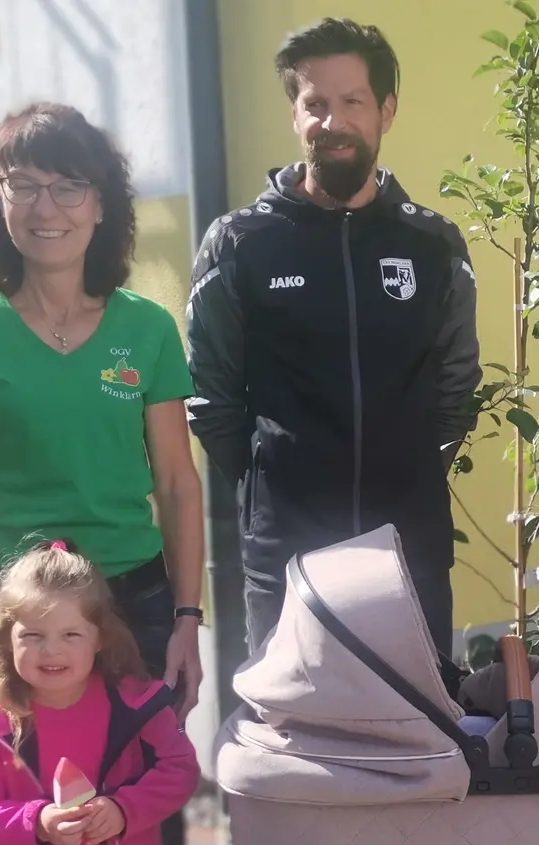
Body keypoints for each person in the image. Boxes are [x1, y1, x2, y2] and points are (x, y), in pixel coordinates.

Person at [0, 102, 204, 845]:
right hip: (15, 618)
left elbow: (177, 484)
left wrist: (188, 617)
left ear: (102, 203)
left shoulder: (146, 329)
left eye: (70, 185)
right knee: (19, 816)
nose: (48, 207)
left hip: (133, 609)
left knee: (143, 816)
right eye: (25, 185)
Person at [185, 18, 480, 660]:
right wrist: (271, 486)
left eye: (353, 102)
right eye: (315, 103)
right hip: (287, 555)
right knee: (293, 718)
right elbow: (211, 399)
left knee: (416, 714)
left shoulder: (432, 245)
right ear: (294, 114)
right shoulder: (239, 243)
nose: (333, 122)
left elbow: (457, 388)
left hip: (407, 549)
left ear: (386, 112)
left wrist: (406, 472)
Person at [0, 542, 201, 845]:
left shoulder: (138, 705)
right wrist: (35, 823)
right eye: (33, 635)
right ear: (7, 639)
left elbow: (179, 771)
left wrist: (126, 808)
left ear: (100, 638)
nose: (51, 650)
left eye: (70, 635)